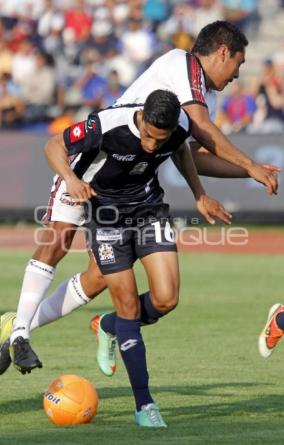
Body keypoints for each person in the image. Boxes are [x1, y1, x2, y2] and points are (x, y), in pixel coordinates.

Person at [0, 21, 279, 376]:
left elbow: (192, 152)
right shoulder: (181, 64)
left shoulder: (207, 98)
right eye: (239, 62)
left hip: (125, 192)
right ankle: (20, 329)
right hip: (92, 167)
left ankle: (19, 328)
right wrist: (248, 163)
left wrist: (244, 172)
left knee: (97, 279)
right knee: (58, 238)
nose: (238, 73)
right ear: (223, 52)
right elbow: (202, 127)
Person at [43, 89, 232, 426]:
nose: (150, 146)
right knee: (128, 306)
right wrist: (71, 180)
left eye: (159, 140)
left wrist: (199, 194)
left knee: (167, 299)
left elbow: (181, 150)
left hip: (148, 211)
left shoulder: (179, 126)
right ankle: (144, 405)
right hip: (105, 216)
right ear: (142, 117)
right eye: (147, 136)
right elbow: (53, 146)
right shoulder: (106, 124)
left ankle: (108, 325)